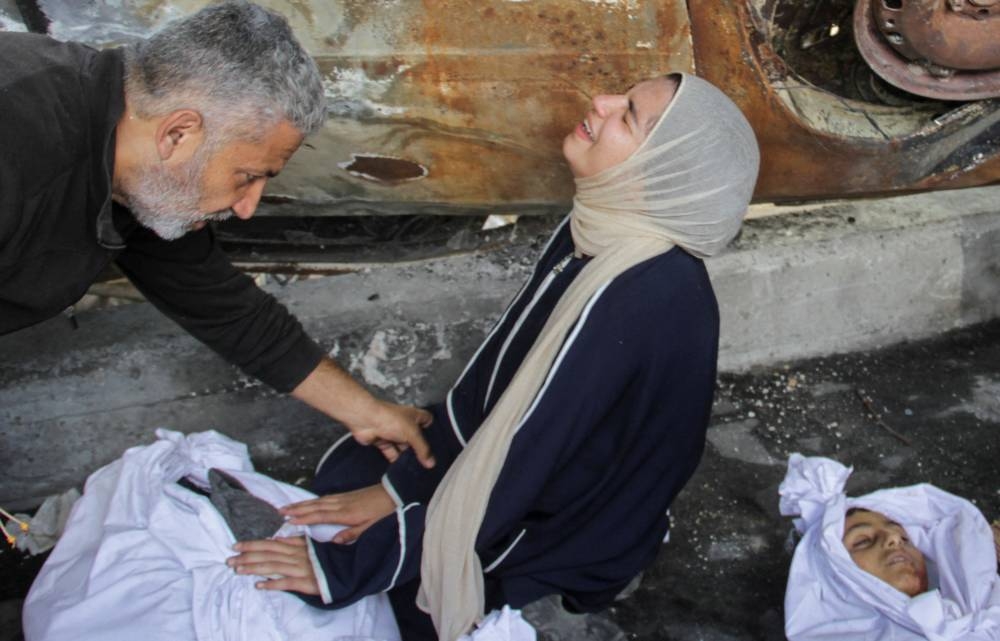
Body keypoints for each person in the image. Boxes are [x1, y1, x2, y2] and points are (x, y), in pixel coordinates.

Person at [229, 72, 760, 640]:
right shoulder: (602, 232)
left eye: (627, 115)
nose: (601, 101)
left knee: (392, 592)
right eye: (621, 94)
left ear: (660, 172)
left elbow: (525, 463)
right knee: (361, 475)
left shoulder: (633, 296)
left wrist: (351, 567)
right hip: (540, 461)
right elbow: (500, 382)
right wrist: (400, 490)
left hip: (565, 513)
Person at [0, 2, 433, 465]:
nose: (246, 208)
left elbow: (222, 306)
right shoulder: (17, 139)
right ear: (178, 134)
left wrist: (366, 412)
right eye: (248, 176)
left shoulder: (141, 168)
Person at [779, 453, 1000, 641]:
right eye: (863, 541)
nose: (895, 538)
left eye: (905, 538)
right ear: (836, 582)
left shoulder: (982, 609)